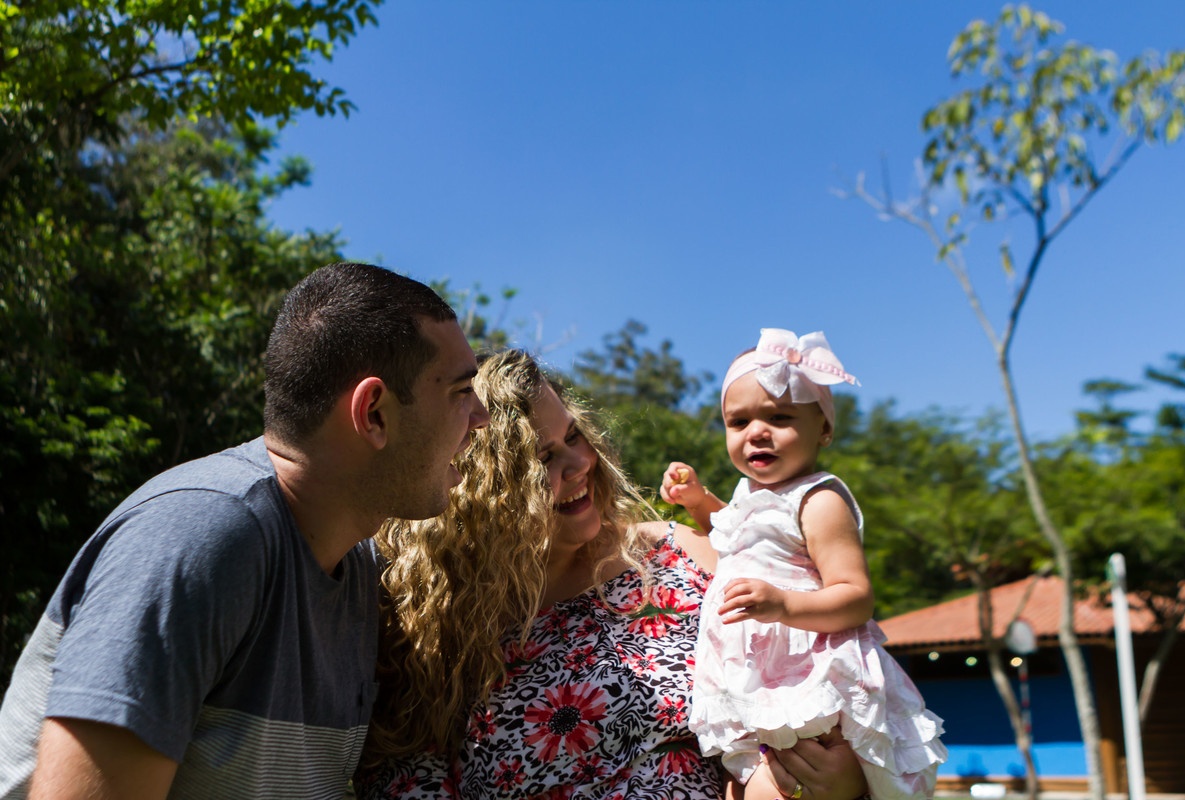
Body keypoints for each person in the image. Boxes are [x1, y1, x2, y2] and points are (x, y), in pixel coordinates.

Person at [0, 262, 490, 799]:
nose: (482, 417)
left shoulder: (353, 566)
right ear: (373, 413)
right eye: (461, 391)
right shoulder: (202, 536)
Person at [357, 348, 868, 800]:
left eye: (573, 436)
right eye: (543, 458)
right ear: (478, 489)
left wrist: (840, 781)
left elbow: (831, 677)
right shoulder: (436, 626)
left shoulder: (686, 557)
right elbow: (402, 775)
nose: (580, 463)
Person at [660, 328, 947, 800]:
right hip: (750, 670)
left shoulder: (818, 500)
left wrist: (785, 605)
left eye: (780, 417)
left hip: (804, 670)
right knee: (752, 783)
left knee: (790, 779)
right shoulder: (747, 496)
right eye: (738, 422)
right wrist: (698, 502)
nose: (757, 432)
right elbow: (733, 533)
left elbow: (855, 597)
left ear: (824, 430)